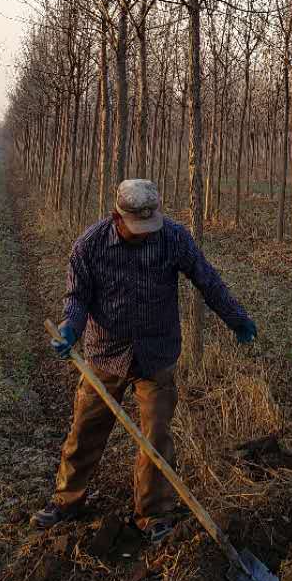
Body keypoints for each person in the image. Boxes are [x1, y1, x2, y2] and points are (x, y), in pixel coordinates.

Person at [31, 177, 257, 542]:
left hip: (157, 353)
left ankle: (152, 514)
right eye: (136, 227)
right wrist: (70, 327)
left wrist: (237, 318)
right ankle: (67, 500)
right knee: (85, 430)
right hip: (106, 354)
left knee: (156, 436)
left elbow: (207, 280)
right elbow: (77, 297)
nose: (144, 233)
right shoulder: (89, 246)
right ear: (117, 216)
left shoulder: (174, 238)